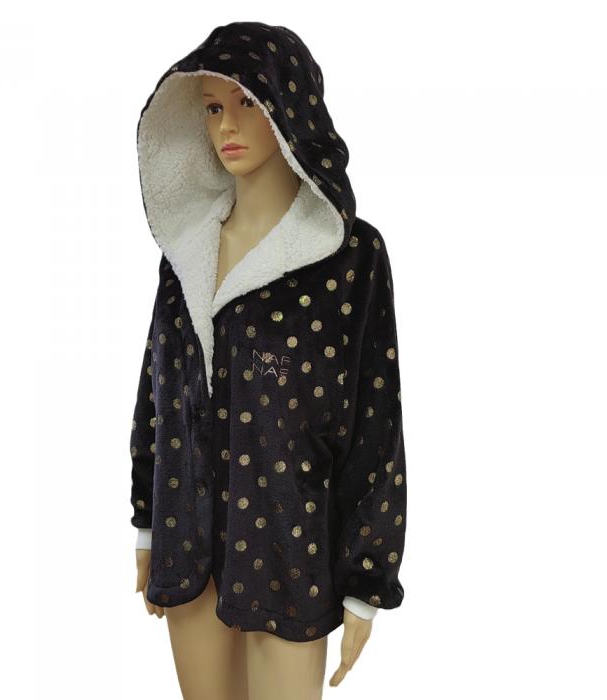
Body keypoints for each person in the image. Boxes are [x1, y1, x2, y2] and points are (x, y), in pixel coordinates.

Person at [129, 22, 408, 700]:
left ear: (290, 104)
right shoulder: (187, 251)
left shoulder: (350, 256)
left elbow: (375, 426)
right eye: (212, 107)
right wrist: (146, 525)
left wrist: (367, 583)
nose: (227, 125)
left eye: (247, 102)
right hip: (187, 540)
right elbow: (156, 392)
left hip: (288, 547)